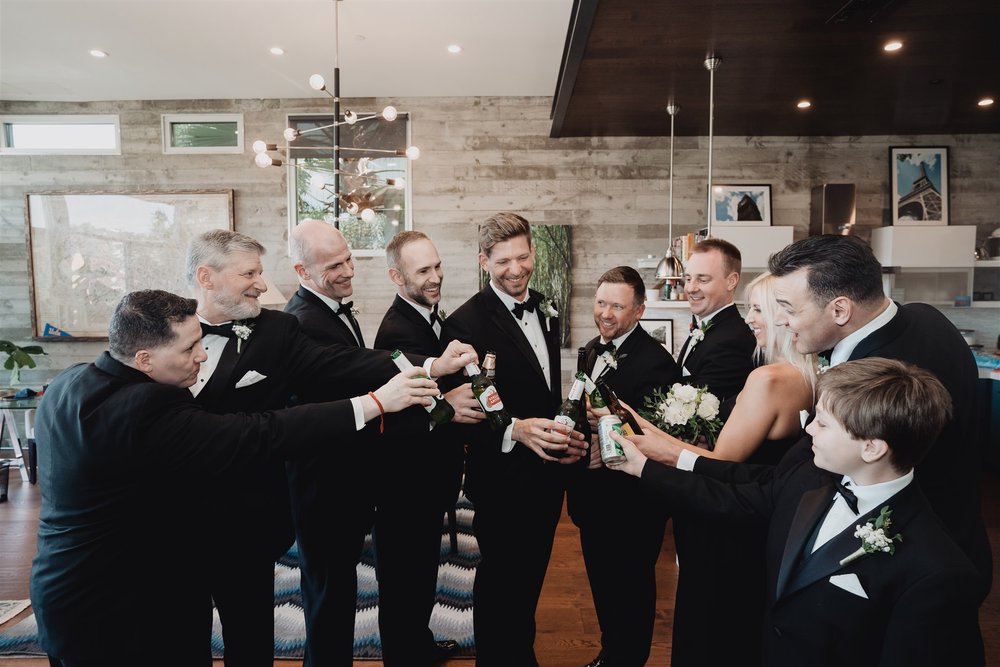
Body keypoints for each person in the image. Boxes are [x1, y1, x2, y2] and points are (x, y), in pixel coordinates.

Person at [29, 290, 439, 667]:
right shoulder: (146, 406)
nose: (202, 356)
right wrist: (374, 403)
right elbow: (261, 432)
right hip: (123, 606)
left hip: (59, 593)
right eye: (189, 347)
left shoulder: (71, 381)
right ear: (144, 360)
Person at [186, 229, 476, 666]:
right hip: (302, 486)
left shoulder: (281, 326)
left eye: (348, 260)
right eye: (334, 265)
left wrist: (429, 365)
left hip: (290, 501)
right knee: (316, 599)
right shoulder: (292, 319)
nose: (348, 270)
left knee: (269, 624)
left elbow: (347, 363)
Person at [610, 358, 985, 667]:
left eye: (823, 423)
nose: (809, 432)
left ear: (872, 448)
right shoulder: (812, 479)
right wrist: (645, 466)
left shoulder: (938, 572)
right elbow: (737, 498)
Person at [675, 234, 991, 598]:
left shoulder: (874, 380)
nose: (780, 320)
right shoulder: (925, 316)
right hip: (961, 541)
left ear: (840, 310)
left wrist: (667, 465)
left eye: (789, 309)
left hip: (900, 574)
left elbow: (800, 479)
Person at [627, 271, 816, 667]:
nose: (749, 319)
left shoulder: (767, 379)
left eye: (758, 309)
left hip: (726, 523)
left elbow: (718, 464)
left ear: (785, 317)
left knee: (709, 630)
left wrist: (648, 443)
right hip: (766, 521)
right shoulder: (810, 376)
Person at [441, 211, 587, 667]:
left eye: (523, 257)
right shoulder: (465, 323)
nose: (516, 269)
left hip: (546, 473)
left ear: (534, 252)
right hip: (501, 474)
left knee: (529, 578)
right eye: (503, 261)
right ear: (484, 261)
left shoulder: (546, 306)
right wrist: (515, 430)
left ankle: (520, 655)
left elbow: (545, 386)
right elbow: (472, 406)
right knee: (501, 581)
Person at [371, 230, 484, 665]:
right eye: (424, 270)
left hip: (429, 477)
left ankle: (417, 643)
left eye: (437, 265)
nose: (436, 276)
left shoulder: (431, 317)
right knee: (402, 578)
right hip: (404, 481)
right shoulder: (397, 330)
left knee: (420, 573)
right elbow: (395, 412)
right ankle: (404, 655)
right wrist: (446, 407)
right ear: (397, 276)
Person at [566, 266, 679, 667]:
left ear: (639, 311)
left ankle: (628, 658)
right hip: (593, 495)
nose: (606, 313)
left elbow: (656, 435)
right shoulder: (591, 349)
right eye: (601, 302)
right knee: (603, 581)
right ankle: (611, 650)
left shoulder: (657, 363)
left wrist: (605, 440)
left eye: (617, 305)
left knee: (631, 586)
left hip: (632, 503)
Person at [675, 237, 756, 405]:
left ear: (731, 281)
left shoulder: (732, 340)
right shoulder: (709, 327)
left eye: (703, 280)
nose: (690, 288)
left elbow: (706, 415)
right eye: (688, 278)